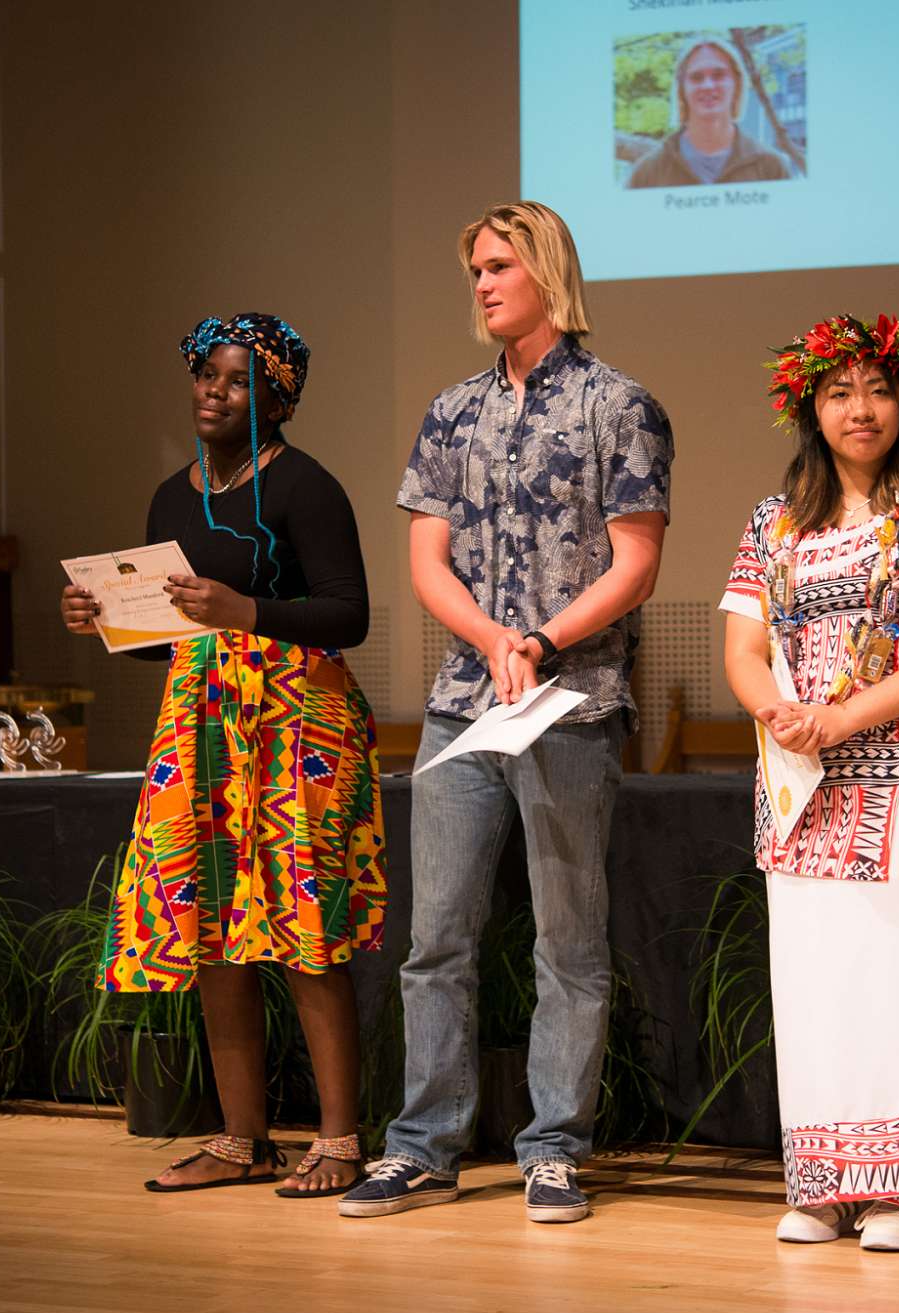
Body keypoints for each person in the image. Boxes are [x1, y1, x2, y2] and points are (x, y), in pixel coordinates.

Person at [340, 201, 672, 1225]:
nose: (481, 284)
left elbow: (636, 563)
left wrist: (541, 640)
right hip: (463, 705)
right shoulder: (451, 411)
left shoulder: (620, 405)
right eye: (474, 270)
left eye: (497, 266)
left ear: (545, 272)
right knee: (435, 936)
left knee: (567, 941)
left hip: (570, 704)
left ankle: (555, 1148)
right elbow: (425, 561)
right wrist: (492, 639)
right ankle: (423, 1146)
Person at [59, 313, 387, 1199]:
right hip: (198, 724)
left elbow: (349, 612)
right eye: (207, 374)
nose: (214, 391)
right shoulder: (171, 497)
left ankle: (339, 1140)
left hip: (297, 726)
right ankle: (243, 1140)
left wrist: (245, 611)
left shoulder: (307, 486)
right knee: (209, 926)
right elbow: (166, 636)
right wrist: (104, 622)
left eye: (239, 380)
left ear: (278, 400)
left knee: (306, 930)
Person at [719, 313, 899, 1253]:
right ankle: (825, 1182)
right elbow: (743, 648)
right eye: (840, 392)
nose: (861, 408)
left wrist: (845, 716)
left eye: (879, 389)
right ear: (811, 408)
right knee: (816, 983)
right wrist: (779, 711)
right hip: (803, 788)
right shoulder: (773, 522)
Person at [626, 35, 793, 189]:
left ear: (737, 84)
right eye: (696, 77)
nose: (708, 86)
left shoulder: (772, 168)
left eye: (718, 75)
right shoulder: (646, 174)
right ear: (681, 89)